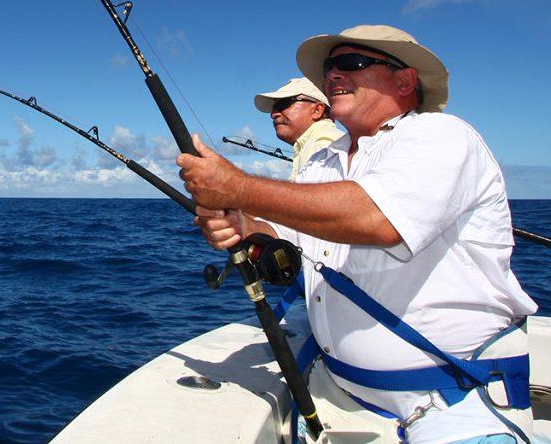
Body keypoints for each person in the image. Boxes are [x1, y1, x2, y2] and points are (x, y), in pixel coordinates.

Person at [177, 25, 537, 443]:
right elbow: (288, 241)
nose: (332, 75)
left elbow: (377, 220)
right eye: (330, 67)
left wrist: (238, 187)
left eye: (352, 63)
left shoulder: (442, 135)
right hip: (337, 394)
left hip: (452, 403)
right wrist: (242, 227)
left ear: (405, 80)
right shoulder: (322, 163)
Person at [253, 77, 341, 178]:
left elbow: (311, 193)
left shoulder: (322, 145)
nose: (273, 114)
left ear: (317, 110)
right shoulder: (312, 144)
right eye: (274, 108)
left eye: (283, 104)